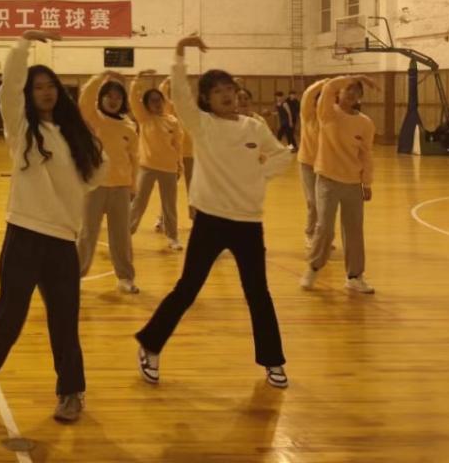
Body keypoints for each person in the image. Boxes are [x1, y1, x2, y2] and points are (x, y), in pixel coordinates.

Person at [0, 30, 105, 424]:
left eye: (50, 86)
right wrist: (23, 44)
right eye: (37, 87)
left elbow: (96, 174)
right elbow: (8, 86)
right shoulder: (22, 128)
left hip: (63, 240)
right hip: (24, 233)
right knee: (9, 316)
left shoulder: (76, 136)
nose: (45, 92)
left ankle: (71, 392)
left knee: (64, 321)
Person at [136, 36, 292, 390]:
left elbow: (282, 155)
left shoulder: (254, 127)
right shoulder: (202, 124)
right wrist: (180, 53)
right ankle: (150, 344)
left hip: (248, 222)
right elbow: (179, 93)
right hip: (211, 220)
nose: (227, 95)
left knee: (258, 292)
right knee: (188, 288)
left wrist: (259, 174)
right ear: (206, 98)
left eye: (230, 89)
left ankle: (273, 360)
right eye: (218, 91)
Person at [300, 74, 378, 294]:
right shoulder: (328, 113)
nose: (351, 93)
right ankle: (314, 267)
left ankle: (355, 276)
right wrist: (354, 77)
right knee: (324, 227)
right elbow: (325, 90)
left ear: (361, 97)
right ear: (339, 92)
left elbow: (366, 155)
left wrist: (367, 183)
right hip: (327, 180)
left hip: (353, 183)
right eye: (348, 89)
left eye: (356, 90)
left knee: (354, 231)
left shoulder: (365, 123)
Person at [77, 70, 140, 293]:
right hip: (94, 186)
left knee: (121, 236)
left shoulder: (129, 126)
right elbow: (85, 99)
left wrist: (132, 186)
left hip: (120, 188)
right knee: (87, 234)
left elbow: (134, 158)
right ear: (101, 97)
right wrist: (101, 76)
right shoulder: (93, 118)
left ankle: (125, 277)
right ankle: (75, 276)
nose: (113, 100)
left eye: (118, 97)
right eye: (109, 96)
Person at [128, 72, 184, 250]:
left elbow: (177, 145)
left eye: (159, 100)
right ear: (146, 105)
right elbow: (133, 100)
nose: (157, 103)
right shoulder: (144, 118)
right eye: (152, 101)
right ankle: (126, 233)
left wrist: (179, 165)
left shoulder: (172, 121)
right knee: (139, 202)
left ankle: (173, 237)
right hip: (147, 167)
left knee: (169, 205)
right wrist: (137, 80)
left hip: (168, 168)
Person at [296, 79, 330, 247]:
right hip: (308, 165)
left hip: (326, 167)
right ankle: (310, 234)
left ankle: (323, 236)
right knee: (313, 202)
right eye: (319, 100)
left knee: (326, 204)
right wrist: (326, 82)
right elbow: (307, 95)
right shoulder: (308, 115)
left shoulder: (331, 118)